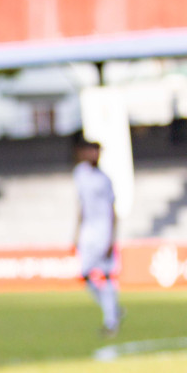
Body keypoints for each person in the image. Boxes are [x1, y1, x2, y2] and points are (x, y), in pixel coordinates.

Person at [73, 138, 121, 335]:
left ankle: (111, 321)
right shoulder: (79, 174)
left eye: (97, 151)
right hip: (88, 232)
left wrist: (112, 238)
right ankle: (112, 308)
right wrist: (76, 233)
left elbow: (112, 211)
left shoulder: (105, 179)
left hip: (103, 231)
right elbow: (81, 205)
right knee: (84, 274)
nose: (95, 154)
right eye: (92, 151)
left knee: (107, 275)